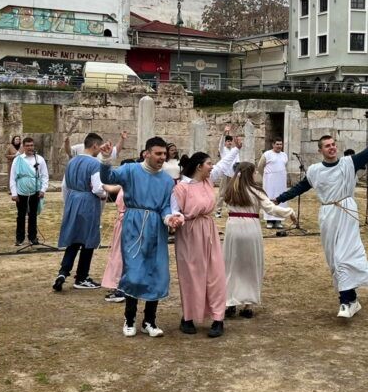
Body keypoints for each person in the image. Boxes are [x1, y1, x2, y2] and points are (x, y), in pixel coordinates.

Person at [277, 119, 368, 318]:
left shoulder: (349, 163)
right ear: (320, 150)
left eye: (333, 144)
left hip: (346, 211)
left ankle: (344, 301)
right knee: (334, 260)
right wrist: (279, 198)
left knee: (343, 256)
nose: (332, 148)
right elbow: (300, 188)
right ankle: (352, 299)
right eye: (327, 146)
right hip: (328, 215)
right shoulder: (314, 171)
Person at [97, 137, 181, 337]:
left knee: (157, 272)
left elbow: (165, 206)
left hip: (156, 229)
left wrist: (169, 218)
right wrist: (106, 159)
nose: (162, 157)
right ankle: (129, 317)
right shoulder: (131, 170)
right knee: (134, 272)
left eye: (164, 154)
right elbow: (108, 178)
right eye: (158, 153)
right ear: (147, 153)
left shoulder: (167, 180)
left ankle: (149, 321)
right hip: (134, 225)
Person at [221, 161, 296, 318]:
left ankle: (230, 302)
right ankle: (248, 305)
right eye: (254, 172)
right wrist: (289, 212)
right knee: (250, 265)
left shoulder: (230, 190)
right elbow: (271, 209)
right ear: (251, 174)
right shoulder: (256, 191)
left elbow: (217, 205)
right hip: (250, 229)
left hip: (233, 228)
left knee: (231, 265)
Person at [171, 152, 227, 338]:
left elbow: (224, 164)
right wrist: (176, 220)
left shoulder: (208, 182)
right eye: (209, 163)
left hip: (208, 230)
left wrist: (235, 149)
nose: (212, 166)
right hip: (189, 233)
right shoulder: (181, 187)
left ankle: (218, 318)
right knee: (191, 274)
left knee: (215, 273)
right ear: (199, 166)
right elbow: (174, 211)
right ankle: (188, 317)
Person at [52, 133, 112, 292]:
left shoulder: (72, 161)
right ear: (95, 146)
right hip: (87, 202)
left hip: (72, 200)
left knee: (73, 239)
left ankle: (63, 272)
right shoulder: (95, 164)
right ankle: (82, 277)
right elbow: (98, 188)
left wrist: (68, 202)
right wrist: (105, 195)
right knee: (88, 240)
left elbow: (64, 185)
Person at [9, 136, 48, 246]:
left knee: (33, 215)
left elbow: (45, 176)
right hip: (21, 191)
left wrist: (43, 189)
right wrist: (14, 193)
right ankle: (20, 238)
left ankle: (33, 237)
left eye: (31, 145)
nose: (30, 147)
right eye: (27, 146)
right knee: (21, 215)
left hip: (35, 191)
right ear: (23, 147)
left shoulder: (39, 159)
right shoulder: (18, 159)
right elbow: (12, 177)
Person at [257, 138, 289, 229]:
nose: (279, 146)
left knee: (280, 199)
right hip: (269, 182)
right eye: (277, 144)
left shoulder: (284, 155)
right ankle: (269, 220)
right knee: (270, 199)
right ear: (273, 144)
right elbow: (260, 166)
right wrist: (266, 176)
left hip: (281, 182)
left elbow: (284, 166)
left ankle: (278, 220)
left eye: (280, 144)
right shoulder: (267, 154)